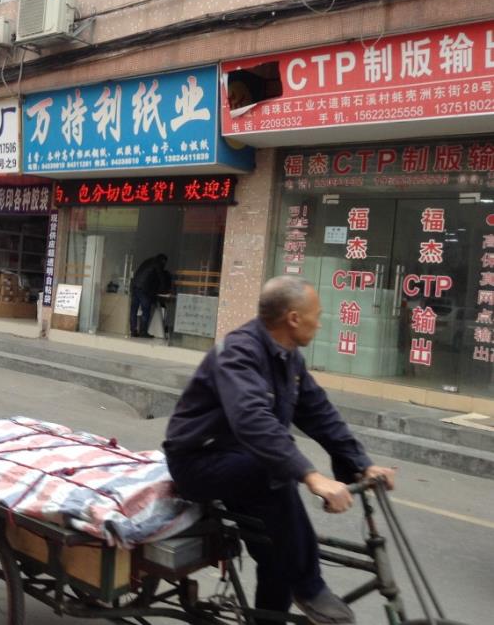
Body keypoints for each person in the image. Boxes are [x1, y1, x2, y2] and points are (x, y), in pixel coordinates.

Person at [163, 276, 396, 625]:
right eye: (316, 315)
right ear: (293, 318)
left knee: (277, 554)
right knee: (274, 472)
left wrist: (361, 465)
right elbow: (253, 421)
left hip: (243, 463)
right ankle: (310, 587)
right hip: (199, 462)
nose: (321, 322)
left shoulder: (290, 359)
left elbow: (320, 413)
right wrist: (311, 476)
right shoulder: (239, 353)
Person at [129, 253, 168, 338]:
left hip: (135, 286)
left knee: (134, 310)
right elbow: (160, 277)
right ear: (163, 261)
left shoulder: (149, 261)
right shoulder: (158, 264)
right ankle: (143, 332)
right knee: (146, 311)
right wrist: (164, 290)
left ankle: (133, 331)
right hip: (143, 289)